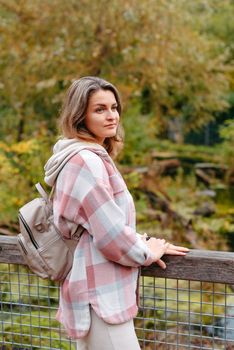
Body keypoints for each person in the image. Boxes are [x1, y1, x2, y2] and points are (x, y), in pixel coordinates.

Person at [44, 76, 189, 350]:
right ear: (80, 116)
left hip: (91, 290)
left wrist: (143, 241)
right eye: (100, 109)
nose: (112, 116)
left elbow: (101, 224)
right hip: (100, 296)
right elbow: (110, 236)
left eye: (114, 107)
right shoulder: (86, 161)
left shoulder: (81, 157)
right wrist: (148, 252)